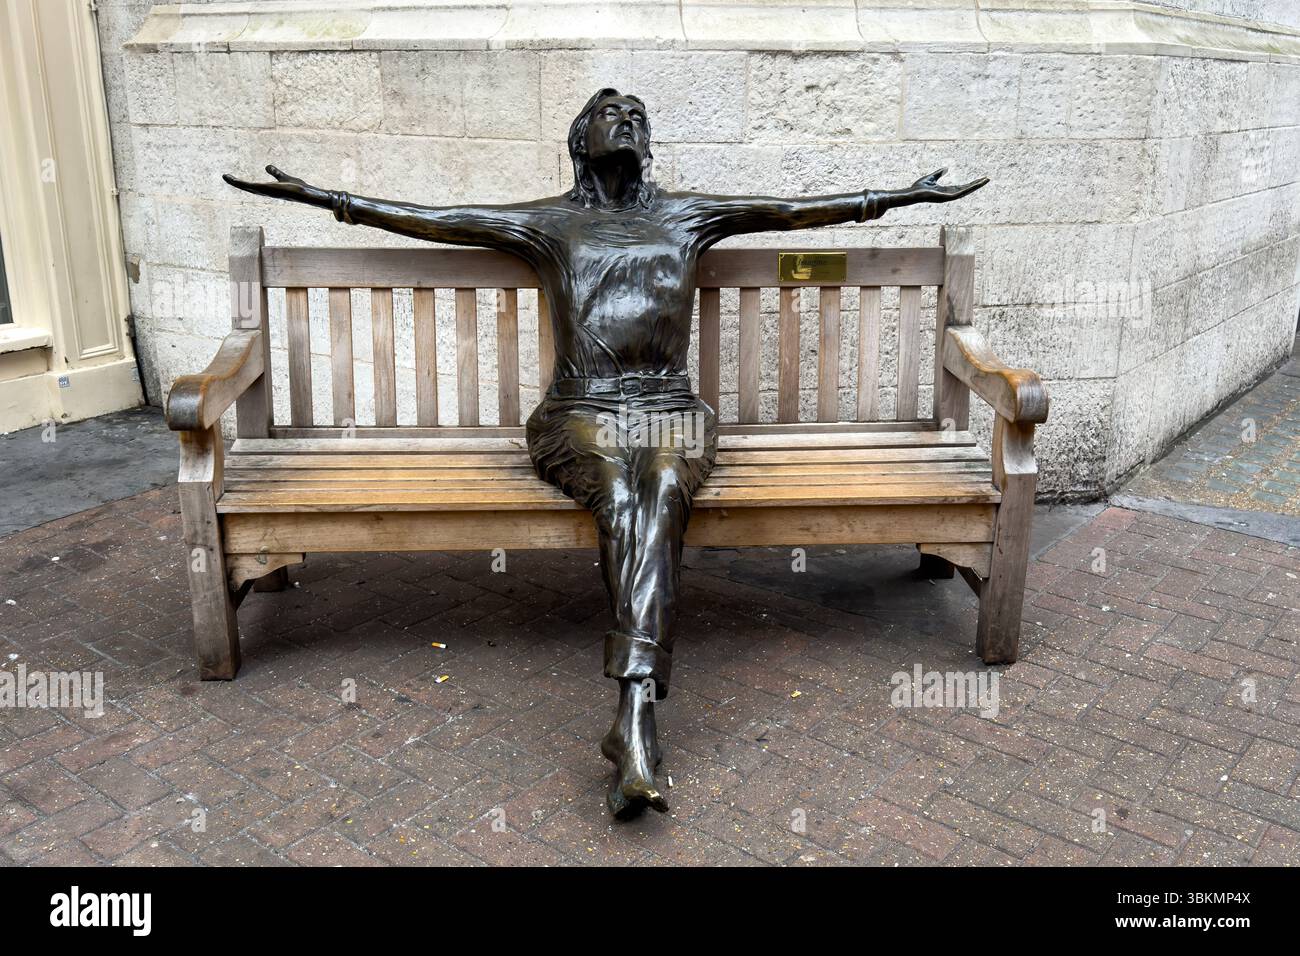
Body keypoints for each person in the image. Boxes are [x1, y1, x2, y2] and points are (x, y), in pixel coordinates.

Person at [224, 87, 987, 819]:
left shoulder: (688, 214)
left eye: (637, 116)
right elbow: (438, 219)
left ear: (648, 144)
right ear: (580, 141)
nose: (625, 121)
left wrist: (902, 197)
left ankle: (633, 717)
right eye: (609, 114)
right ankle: (635, 720)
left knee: (656, 488)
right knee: (623, 496)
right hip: (577, 412)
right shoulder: (549, 224)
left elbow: (789, 212)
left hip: (668, 408)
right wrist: (328, 199)